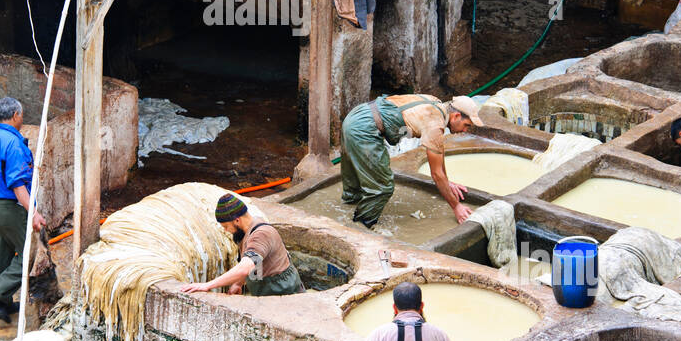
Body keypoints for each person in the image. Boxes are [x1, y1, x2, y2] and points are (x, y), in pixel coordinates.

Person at [0, 96, 60, 321]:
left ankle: (2, 305)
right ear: (16, 115)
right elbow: (18, 185)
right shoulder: (14, 144)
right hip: (6, 206)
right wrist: (34, 213)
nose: (23, 117)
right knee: (29, 251)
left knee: (0, 252)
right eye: (22, 114)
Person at [339, 94, 482, 229]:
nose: (465, 130)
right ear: (456, 116)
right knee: (383, 188)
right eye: (467, 125)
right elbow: (436, 174)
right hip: (364, 129)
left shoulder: (435, 103)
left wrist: (447, 182)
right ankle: (360, 227)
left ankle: (345, 208)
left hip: (357, 116)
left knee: (355, 186)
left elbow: (438, 151)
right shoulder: (435, 124)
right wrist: (456, 206)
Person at [180, 192, 305, 296]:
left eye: (226, 226)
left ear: (237, 220)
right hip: (266, 288)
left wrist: (208, 285)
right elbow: (257, 266)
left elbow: (246, 268)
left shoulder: (261, 235)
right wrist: (238, 283)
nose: (225, 230)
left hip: (284, 291)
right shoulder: (245, 232)